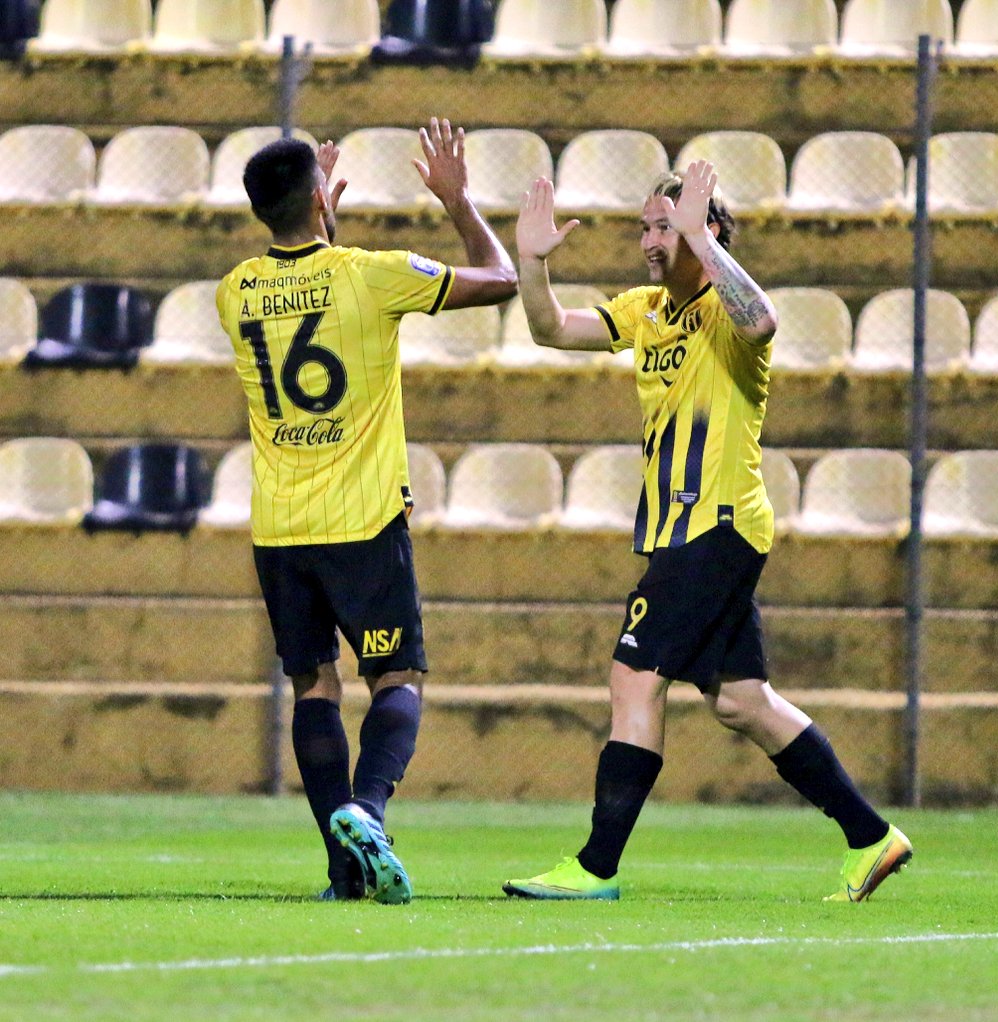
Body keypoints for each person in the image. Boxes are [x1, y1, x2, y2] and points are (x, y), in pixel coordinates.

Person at [502, 163, 912, 903]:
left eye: (665, 226)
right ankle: (872, 837)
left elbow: (763, 320)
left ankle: (595, 867)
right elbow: (547, 327)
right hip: (684, 531)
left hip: (714, 525)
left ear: (706, 230)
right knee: (742, 701)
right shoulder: (646, 310)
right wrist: (532, 262)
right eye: (647, 228)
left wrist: (700, 235)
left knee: (634, 678)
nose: (650, 241)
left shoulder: (729, 314)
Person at [216, 118, 517, 904]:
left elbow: (311, 287)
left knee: (314, 686)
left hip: (280, 528)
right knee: (398, 675)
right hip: (364, 520)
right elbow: (501, 276)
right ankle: (368, 809)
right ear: (320, 197)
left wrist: (320, 222)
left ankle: (343, 872)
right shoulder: (372, 275)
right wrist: (457, 200)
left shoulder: (234, 293)